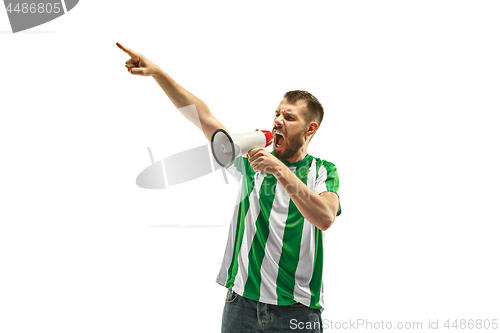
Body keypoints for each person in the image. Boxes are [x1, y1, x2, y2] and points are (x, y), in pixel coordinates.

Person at [117, 42, 341, 333]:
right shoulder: (251, 161)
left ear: (310, 129)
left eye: (289, 117)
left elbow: (325, 217)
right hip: (240, 305)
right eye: (276, 114)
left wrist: (278, 169)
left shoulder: (322, 170)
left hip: (295, 310)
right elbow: (203, 117)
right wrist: (158, 73)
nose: (277, 121)